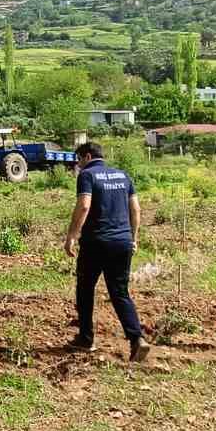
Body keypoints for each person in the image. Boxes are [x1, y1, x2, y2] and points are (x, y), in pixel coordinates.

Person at [63, 141, 148, 362]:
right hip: (122, 242)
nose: (78, 166)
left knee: (85, 289)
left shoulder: (87, 176)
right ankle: (137, 339)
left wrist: (72, 235)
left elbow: (84, 205)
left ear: (87, 157)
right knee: (120, 292)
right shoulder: (123, 175)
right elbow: (136, 209)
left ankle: (86, 339)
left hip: (95, 243)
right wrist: (133, 238)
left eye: (79, 160)